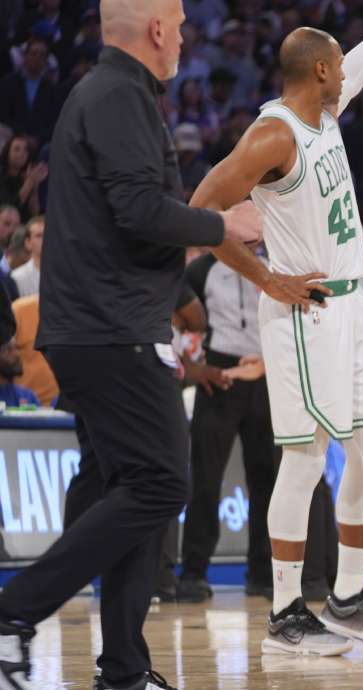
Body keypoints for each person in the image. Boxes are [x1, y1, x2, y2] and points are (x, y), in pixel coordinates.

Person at [0, 0, 265, 687]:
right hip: (110, 330)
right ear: (155, 29)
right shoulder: (118, 94)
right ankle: (12, 611)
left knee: (127, 486)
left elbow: (123, 222)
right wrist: (221, 223)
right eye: (178, 26)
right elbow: (141, 211)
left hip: (101, 323)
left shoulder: (110, 92)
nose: (182, 37)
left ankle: (122, 669)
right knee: (160, 482)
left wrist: (179, 284)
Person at [189, 0, 363, 655]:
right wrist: (265, 277)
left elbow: (357, 65)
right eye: (338, 72)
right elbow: (202, 206)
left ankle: (349, 597)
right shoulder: (273, 135)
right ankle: (283, 612)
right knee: (304, 460)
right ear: (319, 70)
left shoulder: (324, 108)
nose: (347, 82)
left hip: (352, 304)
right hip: (305, 312)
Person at [175, 249, 277, 602]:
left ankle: (264, 573)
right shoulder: (202, 268)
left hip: (266, 373)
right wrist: (192, 366)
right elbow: (177, 317)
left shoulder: (275, 261)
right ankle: (193, 572)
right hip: (217, 376)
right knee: (205, 478)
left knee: (267, 479)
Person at [9, 215, 41, 297]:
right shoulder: (17, 278)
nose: (45, 240)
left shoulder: (67, 274)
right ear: (28, 242)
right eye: (39, 236)